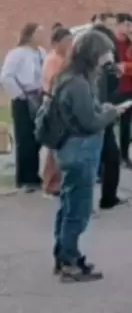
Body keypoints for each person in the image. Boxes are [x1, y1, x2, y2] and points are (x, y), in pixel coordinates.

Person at [51, 29, 129, 282]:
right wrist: (112, 112)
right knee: (78, 210)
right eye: (104, 53)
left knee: (68, 204)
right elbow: (90, 121)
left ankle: (64, 255)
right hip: (80, 149)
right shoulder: (78, 83)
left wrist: (105, 108)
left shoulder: (71, 76)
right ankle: (69, 261)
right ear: (92, 53)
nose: (107, 57)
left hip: (70, 148)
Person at [1, 23, 46, 192]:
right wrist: (19, 94)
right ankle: (25, 178)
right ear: (30, 35)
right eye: (39, 33)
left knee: (38, 135)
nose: (42, 36)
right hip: (23, 98)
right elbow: (6, 76)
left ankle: (34, 173)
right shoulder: (17, 53)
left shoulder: (41, 52)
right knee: (25, 137)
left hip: (38, 95)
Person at [91, 13, 126, 210]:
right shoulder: (86, 70)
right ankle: (86, 205)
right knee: (93, 160)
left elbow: (111, 87)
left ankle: (108, 198)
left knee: (111, 157)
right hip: (92, 118)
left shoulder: (104, 68)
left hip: (103, 115)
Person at [40, 27, 73, 197]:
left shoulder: (65, 58)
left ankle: (57, 181)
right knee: (55, 145)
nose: (70, 44)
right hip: (54, 103)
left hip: (63, 104)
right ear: (57, 43)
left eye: (71, 41)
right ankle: (50, 183)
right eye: (66, 41)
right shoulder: (53, 59)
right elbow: (54, 82)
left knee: (60, 145)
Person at [113, 13, 132, 171]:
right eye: (125, 24)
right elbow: (110, 67)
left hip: (130, 89)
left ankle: (124, 156)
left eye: (130, 25)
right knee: (108, 125)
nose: (129, 28)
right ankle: (109, 156)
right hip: (112, 90)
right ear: (117, 25)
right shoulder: (110, 43)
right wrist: (125, 67)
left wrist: (125, 67)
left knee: (126, 126)